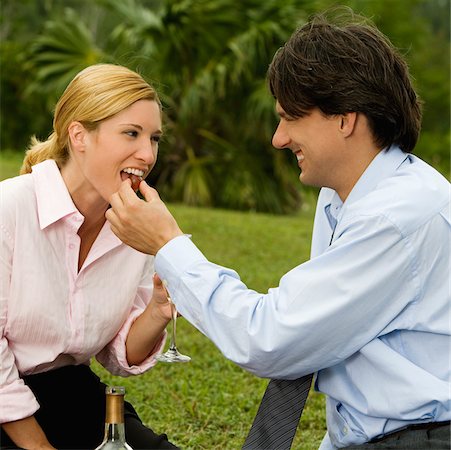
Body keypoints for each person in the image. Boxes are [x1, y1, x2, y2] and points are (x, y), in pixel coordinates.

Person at [106, 10, 451, 450]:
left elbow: (271, 338)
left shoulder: (396, 218)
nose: (278, 138)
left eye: (290, 118)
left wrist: (168, 245)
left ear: (345, 119)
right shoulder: (344, 195)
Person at [0, 64, 179, 449]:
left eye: (154, 138)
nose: (147, 154)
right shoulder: (9, 208)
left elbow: (117, 354)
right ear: (79, 135)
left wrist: (158, 312)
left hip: (71, 394)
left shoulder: (134, 227)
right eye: (131, 133)